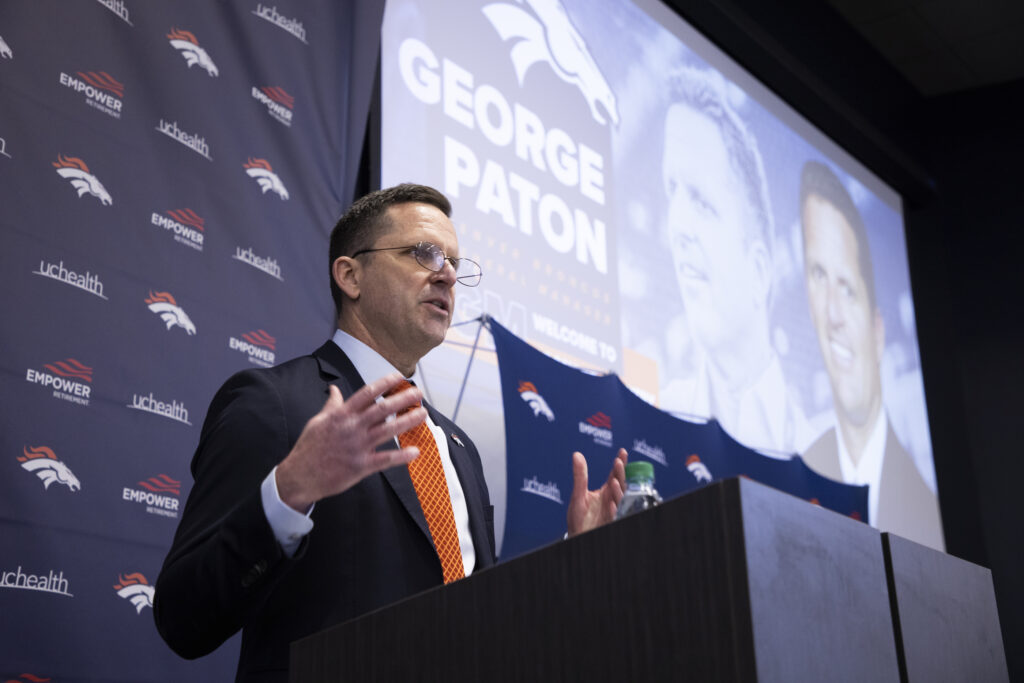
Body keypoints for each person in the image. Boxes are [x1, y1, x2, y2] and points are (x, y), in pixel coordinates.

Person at [153, 184, 628, 681]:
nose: (446, 274)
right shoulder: (276, 404)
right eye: (423, 253)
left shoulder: (459, 450)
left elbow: (482, 623)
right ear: (351, 275)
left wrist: (575, 555)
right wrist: (289, 492)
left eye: (453, 261)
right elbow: (184, 619)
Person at [659, 66, 812, 456]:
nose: (676, 225)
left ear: (759, 271)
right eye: (670, 191)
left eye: (702, 202)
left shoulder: (813, 450)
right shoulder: (659, 419)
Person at [798, 160, 942, 548]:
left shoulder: (924, 511)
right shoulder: (795, 482)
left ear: (878, 331)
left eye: (847, 288)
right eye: (818, 276)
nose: (832, 316)